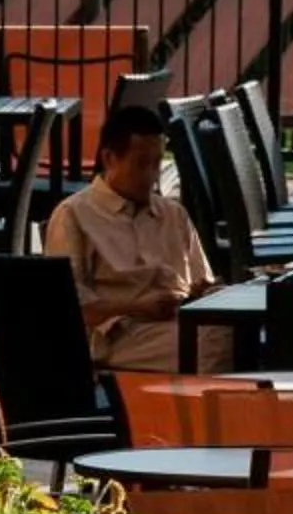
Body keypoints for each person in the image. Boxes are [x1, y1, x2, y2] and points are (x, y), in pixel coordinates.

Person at [44, 101, 216, 371]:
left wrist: (204, 292)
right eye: (141, 164)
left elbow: (202, 280)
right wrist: (136, 305)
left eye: (157, 163)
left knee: (248, 334)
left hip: (178, 322)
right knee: (216, 345)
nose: (152, 176)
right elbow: (67, 308)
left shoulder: (173, 214)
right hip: (120, 334)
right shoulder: (74, 216)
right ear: (110, 158)